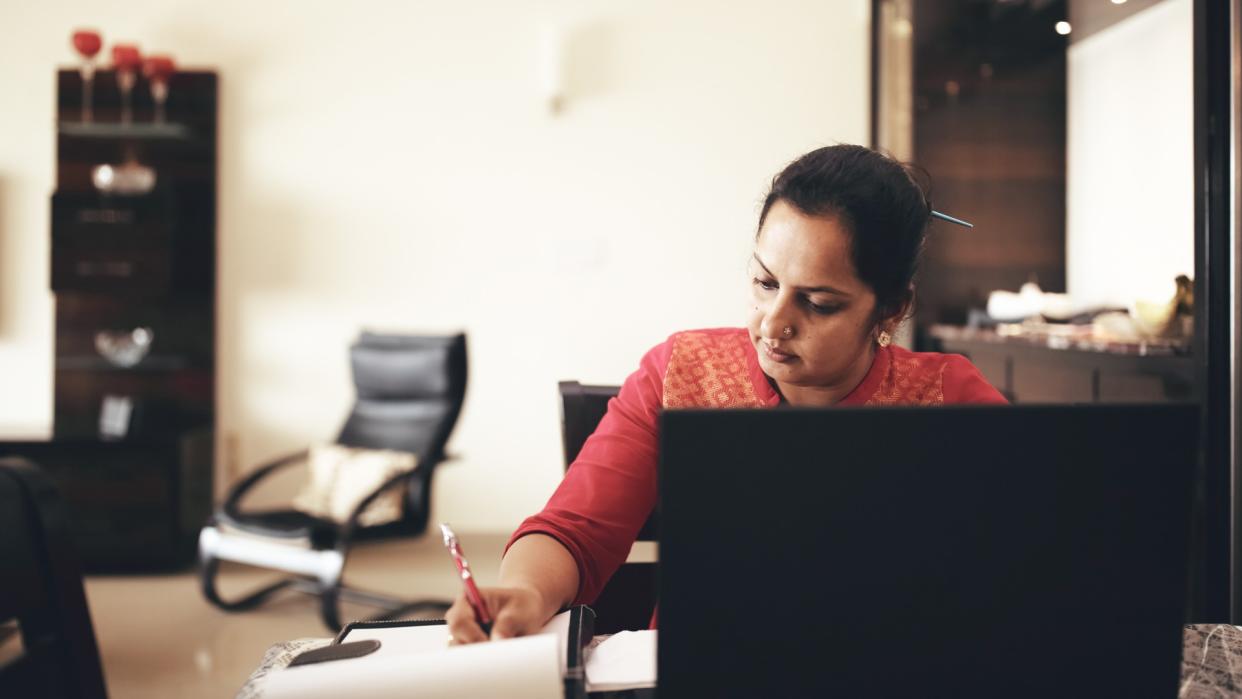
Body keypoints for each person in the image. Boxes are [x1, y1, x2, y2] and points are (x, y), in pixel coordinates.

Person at [446, 144, 1007, 644]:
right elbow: (576, 530)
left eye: (818, 303)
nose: (774, 323)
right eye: (765, 283)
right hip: (703, 670)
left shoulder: (945, 398)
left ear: (892, 308)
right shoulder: (681, 373)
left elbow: (1034, 558)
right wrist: (525, 592)